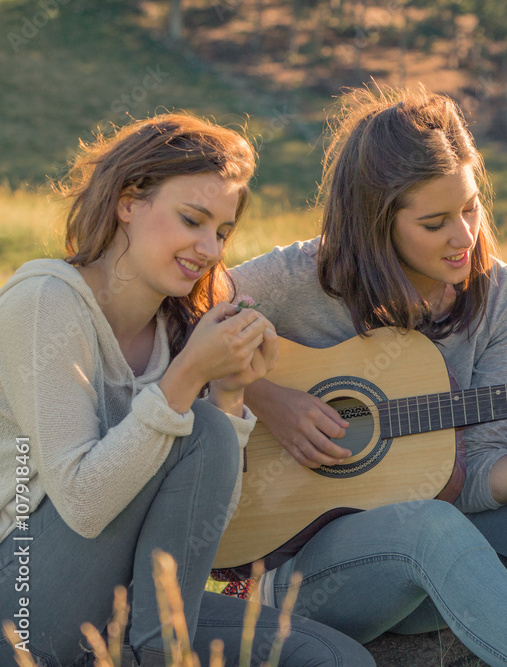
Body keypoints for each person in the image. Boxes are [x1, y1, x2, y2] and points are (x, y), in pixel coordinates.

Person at [231, 86, 507, 667]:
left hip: (453, 558)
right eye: (435, 223)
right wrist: (267, 396)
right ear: (376, 223)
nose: (464, 236)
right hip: (322, 581)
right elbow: (178, 319)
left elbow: (479, 476)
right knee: (426, 523)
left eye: (471, 207)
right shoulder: (300, 277)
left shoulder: (503, 300)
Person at [0, 114, 376, 667]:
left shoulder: (177, 330)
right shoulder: (45, 303)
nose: (209, 248)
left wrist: (228, 391)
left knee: (333, 659)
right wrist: (187, 380)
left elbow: (200, 539)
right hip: (25, 602)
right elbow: (82, 503)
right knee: (201, 428)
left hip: (122, 605)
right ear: (129, 201)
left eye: (222, 232)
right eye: (192, 220)